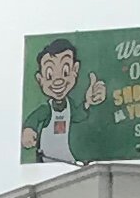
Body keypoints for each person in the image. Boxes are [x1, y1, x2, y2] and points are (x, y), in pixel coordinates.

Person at [22, 33, 110, 164]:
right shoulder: (46, 109)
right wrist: (28, 132)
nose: (58, 81)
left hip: (67, 158)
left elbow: (78, 115)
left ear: (75, 70)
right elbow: (33, 120)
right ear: (40, 79)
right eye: (50, 75)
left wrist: (87, 102)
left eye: (65, 72)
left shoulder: (69, 104)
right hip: (47, 158)